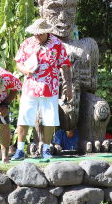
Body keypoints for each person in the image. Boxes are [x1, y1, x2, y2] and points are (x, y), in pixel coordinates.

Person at [12, 19, 73, 160]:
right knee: (24, 118)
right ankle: (20, 150)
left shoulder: (57, 44)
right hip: (30, 87)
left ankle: (46, 150)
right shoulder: (27, 43)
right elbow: (18, 64)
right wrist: (26, 70)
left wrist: (68, 88)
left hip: (50, 88)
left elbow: (65, 66)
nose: (37, 36)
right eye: (35, 33)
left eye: (39, 34)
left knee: (50, 120)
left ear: (46, 32)